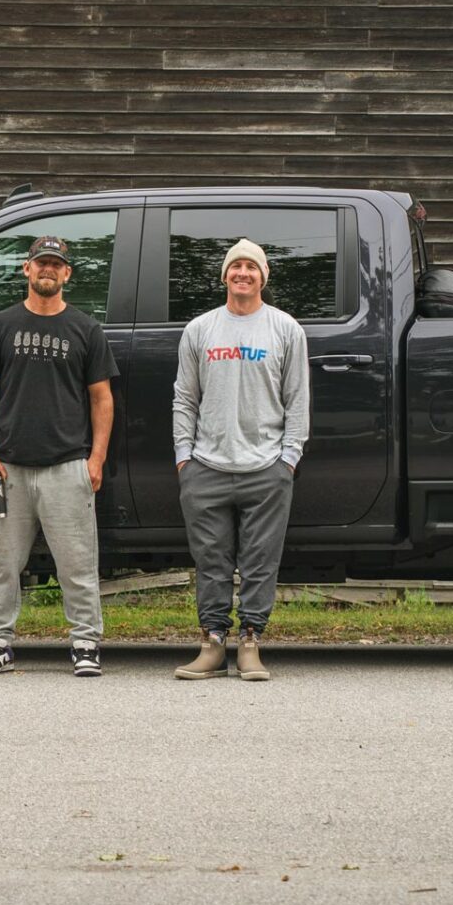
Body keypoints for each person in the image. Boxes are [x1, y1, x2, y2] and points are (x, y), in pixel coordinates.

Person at [0, 234, 118, 677]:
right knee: (2, 565)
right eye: (41, 263)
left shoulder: (86, 329)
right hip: (8, 468)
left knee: (77, 563)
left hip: (67, 466)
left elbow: (102, 400)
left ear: (66, 273)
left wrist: (96, 460)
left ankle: (86, 644)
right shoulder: (0, 326)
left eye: (56, 264)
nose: (48, 270)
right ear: (27, 270)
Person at [171, 238, 310, 682]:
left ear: (263, 277)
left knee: (260, 560)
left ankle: (251, 640)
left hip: (266, 468)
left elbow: (298, 400)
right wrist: (183, 459)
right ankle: (212, 642)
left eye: (252, 267)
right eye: (236, 267)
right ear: (225, 276)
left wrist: (287, 459)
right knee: (210, 560)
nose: (243, 273)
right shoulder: (200, 329)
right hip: (206, 467)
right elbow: (184, 398)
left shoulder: (286, 329)